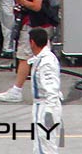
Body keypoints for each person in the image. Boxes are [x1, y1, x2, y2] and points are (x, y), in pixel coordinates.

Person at [29, 26, 64, 154]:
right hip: (43, 105)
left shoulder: (46, 62)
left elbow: (52, 88)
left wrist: (48, 111)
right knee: (40, 142)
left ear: (32, 42)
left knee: (46, 143)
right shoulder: (42, 58)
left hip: (45, 106)